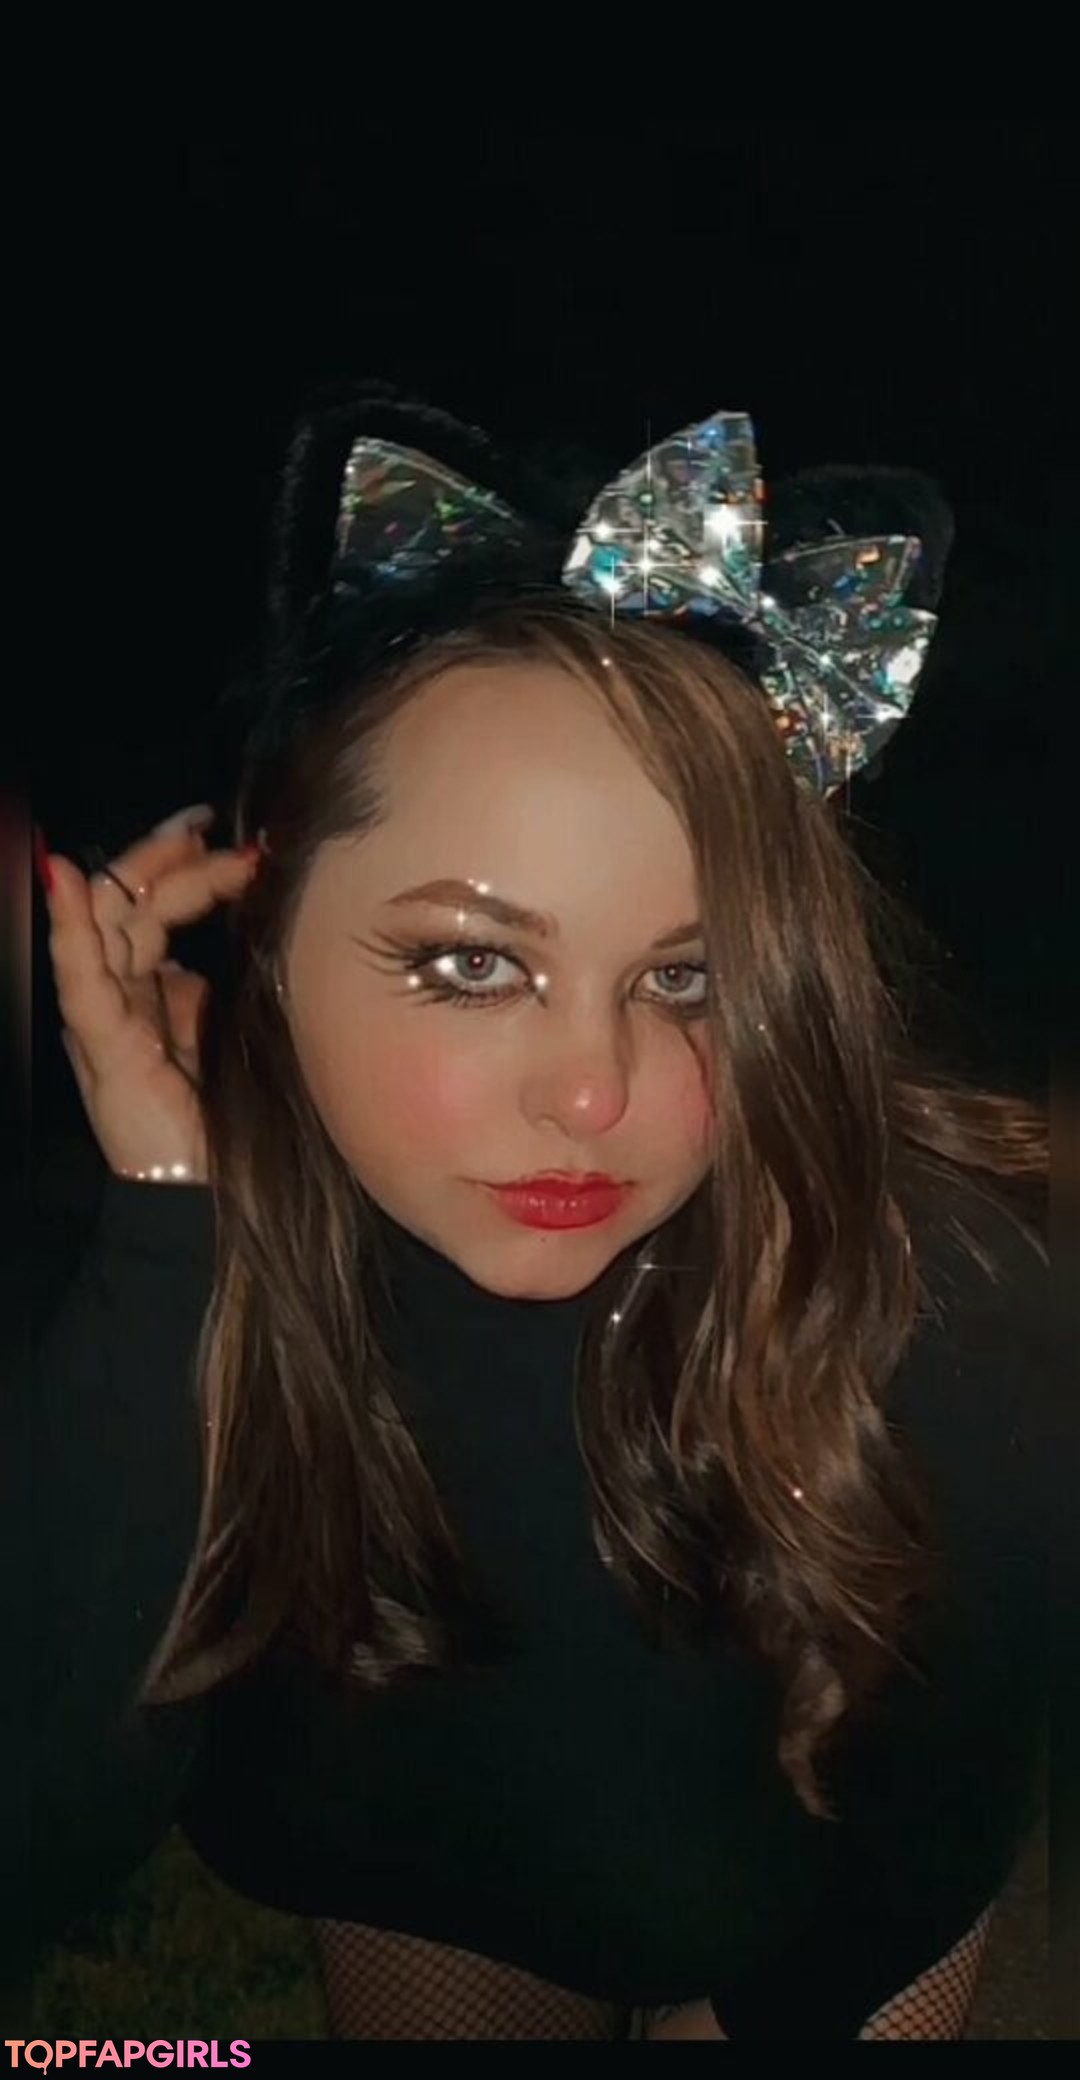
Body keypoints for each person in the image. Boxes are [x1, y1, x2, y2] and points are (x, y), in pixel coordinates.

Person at [26, 394, 1059, 2040]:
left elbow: (936, 1817)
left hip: (815, 1928)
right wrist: (172, 1225)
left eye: (689, 978)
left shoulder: (941, 1296)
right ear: (268, 927)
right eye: (473, 962)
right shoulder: (153, 1263)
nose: (593, 1095)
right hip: (432, 1885)